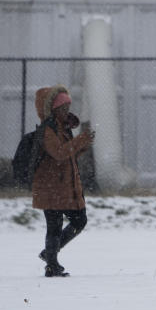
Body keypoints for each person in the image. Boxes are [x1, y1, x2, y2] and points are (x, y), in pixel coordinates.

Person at [32, 85, 95, 277]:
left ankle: (50, 256)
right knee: (56, 225)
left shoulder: (62, 128)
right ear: (53, 109)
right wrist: (79, 141)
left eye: (68, 106)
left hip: (62, 187)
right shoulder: (48, 130)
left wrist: (82, 144)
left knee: (78, 220)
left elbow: (68, 153)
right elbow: (59, 153)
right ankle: (51, 263)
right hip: (50, 186)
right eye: (63, 107)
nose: (67, 111)